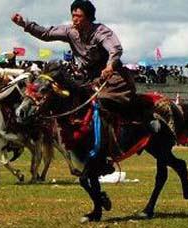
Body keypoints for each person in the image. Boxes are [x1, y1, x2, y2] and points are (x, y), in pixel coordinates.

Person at [11, 0, 159, 133]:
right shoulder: (70, 32)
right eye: (73, 15)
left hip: (112, 77)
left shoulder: (101, 31)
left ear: (88, 18)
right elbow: (46, 33)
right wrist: (25, 24)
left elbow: (115, 49)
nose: (74, 19)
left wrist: (109, 66)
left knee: (105, 98)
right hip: (86, 78)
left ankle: (145, 118)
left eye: (78, 16)